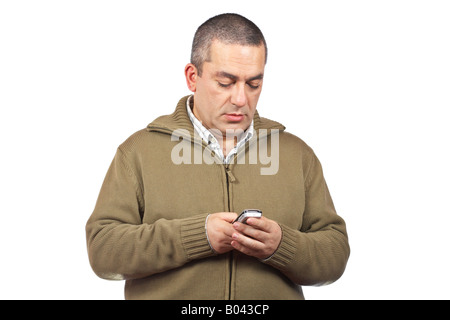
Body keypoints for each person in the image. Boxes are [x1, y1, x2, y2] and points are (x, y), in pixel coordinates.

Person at [86, 13, 350, 300]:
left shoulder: (298, 155)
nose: (240, 99)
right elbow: (103, 251)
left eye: (253, 84)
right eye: (226, 82)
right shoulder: (137, 150)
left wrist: (282, 246)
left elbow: (334, 255)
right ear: (192, 77)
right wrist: (196, 236)